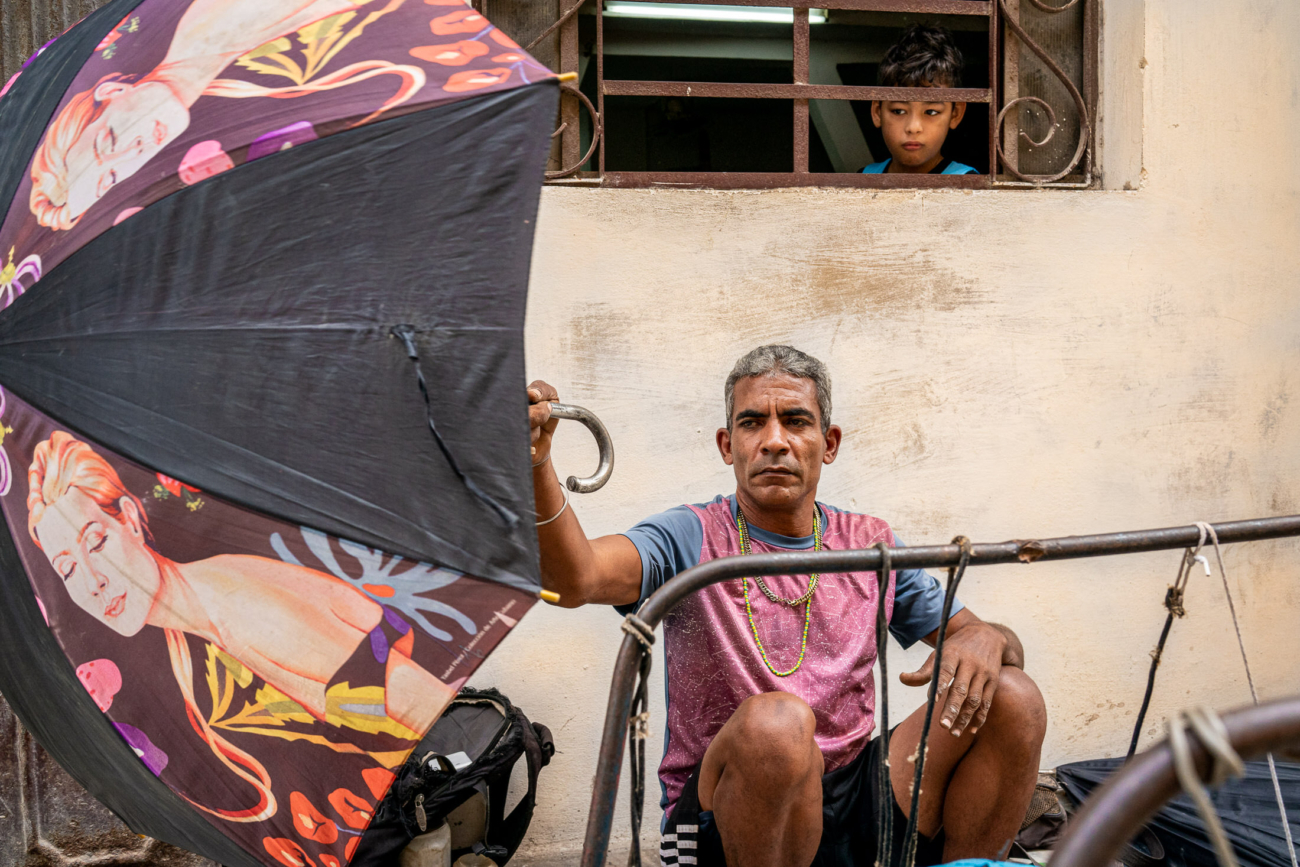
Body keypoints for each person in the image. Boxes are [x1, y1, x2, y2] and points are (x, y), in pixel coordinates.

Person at [526, 345, 1046, 867]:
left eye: (796, 421)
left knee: (1013, 695)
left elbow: (993, 644)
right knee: (778, 726)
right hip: (731, 811)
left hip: (857, 788)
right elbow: (576, 580)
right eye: (753, 423)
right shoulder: (692, 535)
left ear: (829, 443)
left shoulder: (868, 544)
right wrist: (535, 463)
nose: (775, 441)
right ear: (728, 446)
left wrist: (987, 636)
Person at [26, 431, 454, 820]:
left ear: (130, 520)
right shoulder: (194, 621)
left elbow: (429, 710)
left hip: (440, 794)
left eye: (96, 542)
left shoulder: (242, 608)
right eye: (67, 570)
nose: (93, 581)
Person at [29, 0, 424, 230]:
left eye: (109, 139)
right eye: (112, 179)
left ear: (112, 91)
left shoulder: (219, 22)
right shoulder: (230, 97)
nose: (135, 148)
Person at [862, 24, 978, 176]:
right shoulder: (865, 177)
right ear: (877, 112)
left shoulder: (968, 184)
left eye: (930, 112)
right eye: (898, 111)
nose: (913, 127)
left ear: (955, 114)